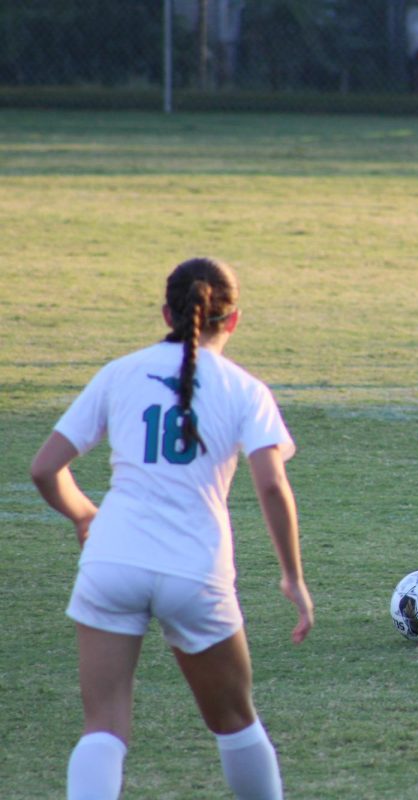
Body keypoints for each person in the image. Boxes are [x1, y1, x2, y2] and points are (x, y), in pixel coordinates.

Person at [30, 258, 314, 800]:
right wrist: (292, 578)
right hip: (196, 571)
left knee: (103, 729)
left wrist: (86, 515)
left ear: (166, 312)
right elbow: (273, 485)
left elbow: (44, 468)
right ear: (233, 321)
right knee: (235, 723)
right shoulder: (244, 389)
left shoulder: (120, 372)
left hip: (111, 561)